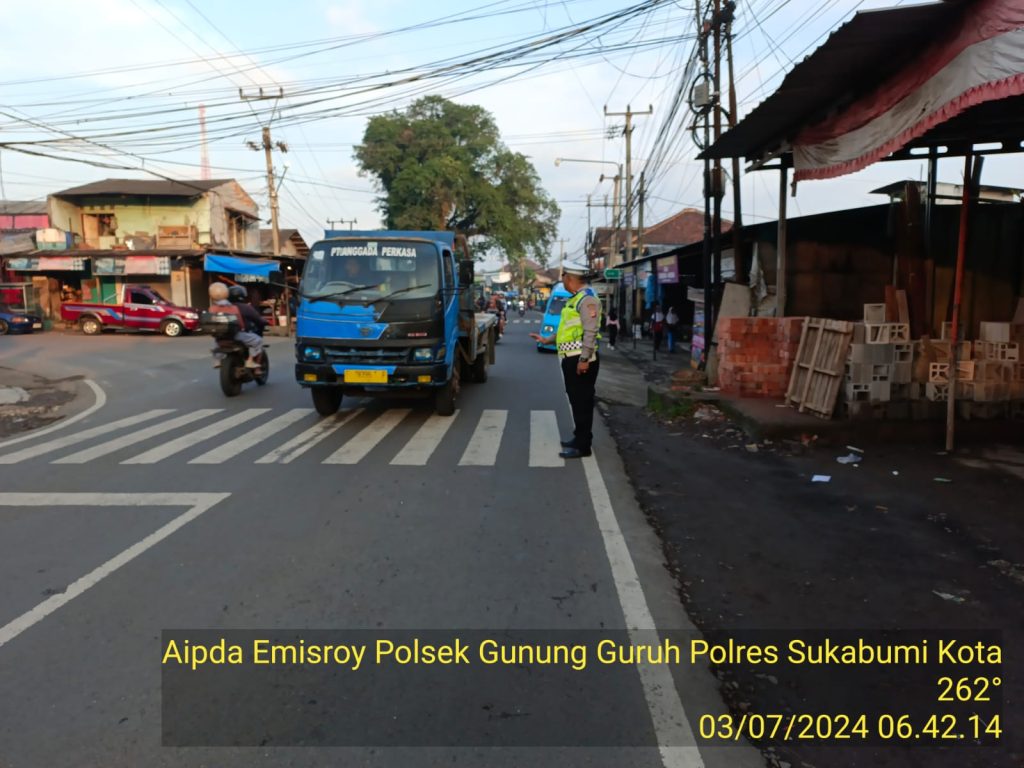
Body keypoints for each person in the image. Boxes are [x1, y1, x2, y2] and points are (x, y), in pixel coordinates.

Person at [530, 262, 601, 459]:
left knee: (582, 402)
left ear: (570, 278)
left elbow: (590, 331)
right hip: (571, 358)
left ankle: (583, 446)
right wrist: (547, 339)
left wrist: (584, 358)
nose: (563, 282)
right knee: (576, 401)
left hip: (581, 359)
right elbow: (565, 329)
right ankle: (578, 439)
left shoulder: (588, 301)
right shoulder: (575, 300)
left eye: (564, 278)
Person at [208, 282, 266, 369]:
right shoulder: (234, 308)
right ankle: (250, 360)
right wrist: (242, 328)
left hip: (220, 336)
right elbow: (240, 323)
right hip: (236, 335)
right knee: (258, 341)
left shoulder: (212, 308)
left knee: (217, 342)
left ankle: (217, 360)